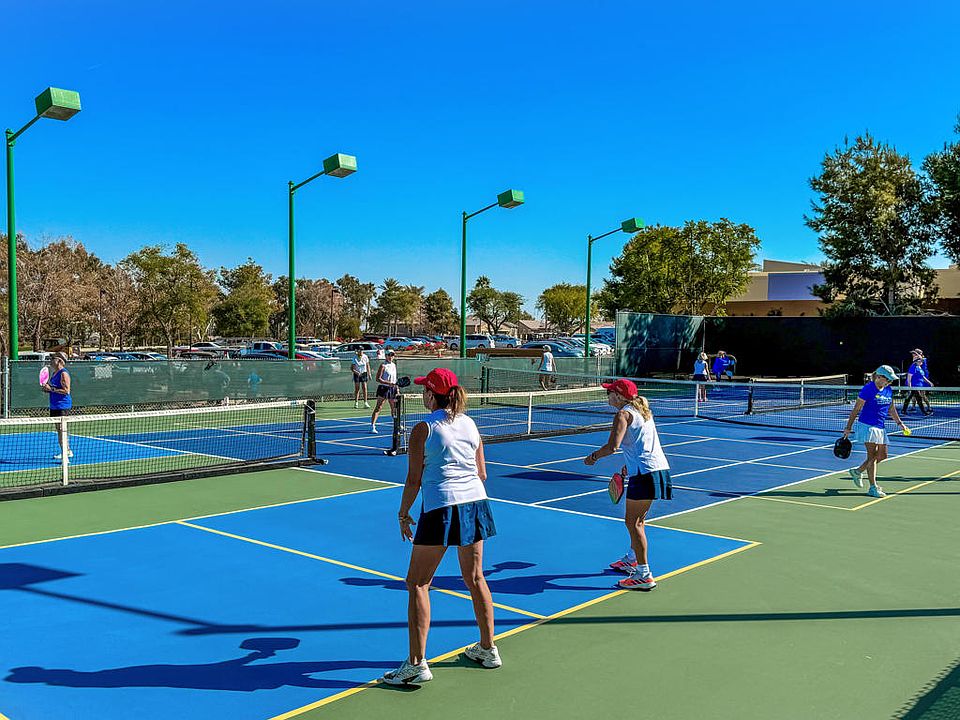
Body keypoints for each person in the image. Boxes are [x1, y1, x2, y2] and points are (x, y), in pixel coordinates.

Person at [383, 368, 499, 685]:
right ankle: (488, 648)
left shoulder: (424, 428)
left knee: (417, 583)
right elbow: (482, 474)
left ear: (431, 395)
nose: (422, 394)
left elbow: (414, 480)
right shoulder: (470, 423)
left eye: (425, 390)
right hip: (476, 503)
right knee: (476, 577)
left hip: (441, 508)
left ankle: (416, 664)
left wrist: (403, 513)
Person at [584, 378, 672, 591]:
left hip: (644, 474)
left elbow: (612, 446)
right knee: (638, 521)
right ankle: (632, 559)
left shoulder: (622, 414)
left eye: (610, 393)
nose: (607, 396)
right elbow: (641, 444)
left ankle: (644, 574)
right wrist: (628, 465)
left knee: (634, 523)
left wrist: (593, 457)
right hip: (656, 470)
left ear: (619, 396)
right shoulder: (642, 411)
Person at [842, 365, 909, 499]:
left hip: (880, 427)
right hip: (867, 426)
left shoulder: (888, 389)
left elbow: (891, 408)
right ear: (878, 377)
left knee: (883, 455)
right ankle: (873, 488)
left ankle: (858, 471)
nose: (890, 381)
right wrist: (848, 427)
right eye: (888, 379)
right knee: (872, 456)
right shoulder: (868, 389)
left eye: (890, 379)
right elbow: (856, 409)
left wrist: (900, 424)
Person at [41, 352, 73, 462]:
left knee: (61, 430)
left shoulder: (63, 373)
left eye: (53, 359)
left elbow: (66, 390)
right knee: (59, 430)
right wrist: (47, 389)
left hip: (62, 406)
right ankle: (67, 450)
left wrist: (51, 389)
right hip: (54, 405)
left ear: (59, 361)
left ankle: (65, 455)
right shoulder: (54, 373)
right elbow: (53, 388)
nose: (50, 361)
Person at [370, 349, 399, 434]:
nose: (390, 357)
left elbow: (394, 378)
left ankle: (397, 425)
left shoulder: (394, 365)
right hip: (384, 388)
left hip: (393, 389)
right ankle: (373, 426)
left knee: (394, 408)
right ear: (386, 356)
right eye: (389, 355)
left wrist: (396, 388)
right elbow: (378, 378)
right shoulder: (383, 365)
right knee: (379, 407)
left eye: (392, 355)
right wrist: (388, 383)